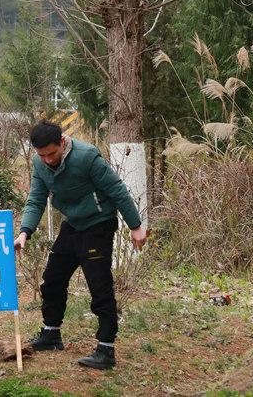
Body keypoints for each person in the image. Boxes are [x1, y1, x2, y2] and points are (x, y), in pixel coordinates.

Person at [14, 120, 147, 370]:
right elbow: (35, 199)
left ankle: (106, 349)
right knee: (53, 277)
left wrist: (135, 225)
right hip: (73, 224)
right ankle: (51, 333)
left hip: (98, 224)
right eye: (42, 155)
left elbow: (116, 189)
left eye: (52, 154)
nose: (48, 160)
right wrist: (25, 232)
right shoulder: (39, 164)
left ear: (62, 143)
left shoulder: (87, 157)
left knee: (99, 286)